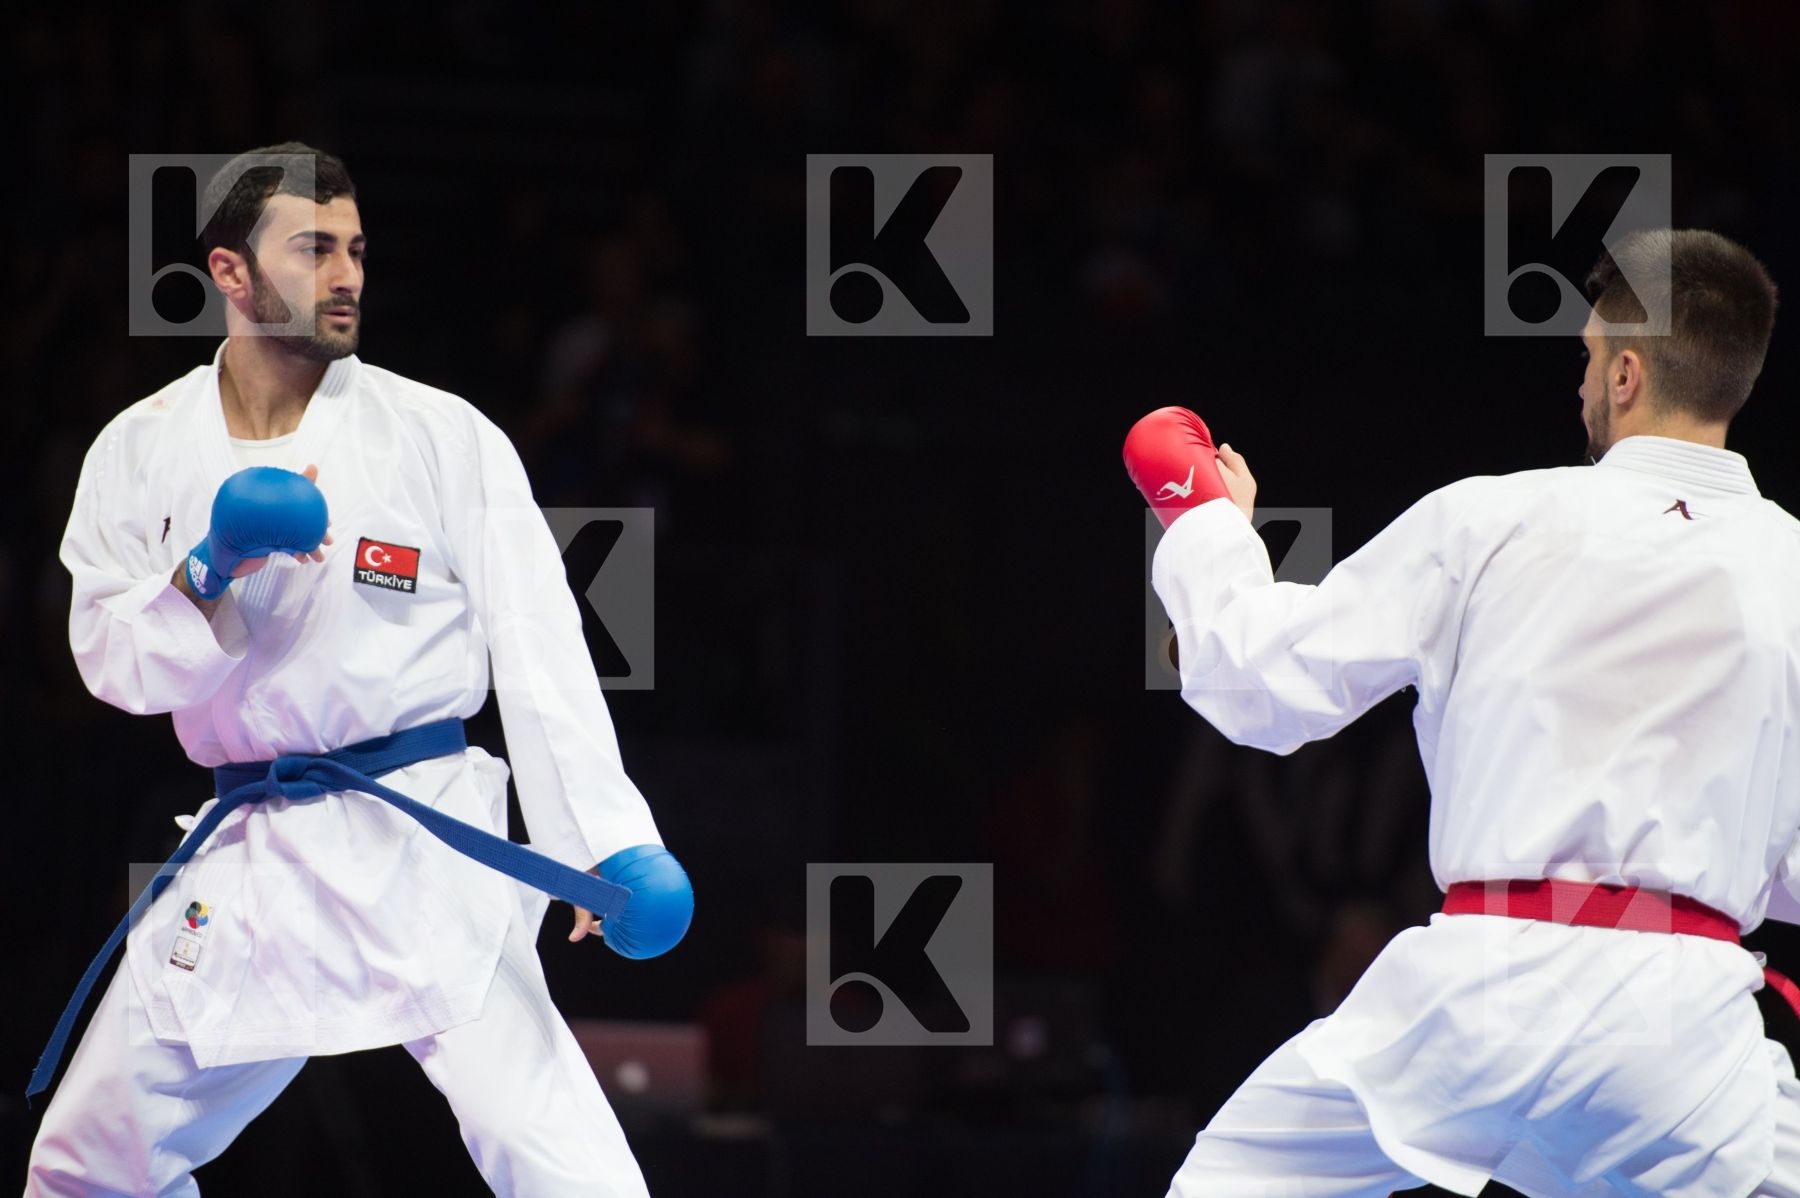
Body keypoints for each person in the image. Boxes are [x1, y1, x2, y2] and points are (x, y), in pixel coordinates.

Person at [25, 142, 693, 1197]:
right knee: (84, 1165)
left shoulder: (440, 435)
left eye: (357, 249)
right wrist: (208, 569)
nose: (346, 275)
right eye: (314, 249)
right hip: (249, 844)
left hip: (419, 838)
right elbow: (113, 665)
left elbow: (539, 639)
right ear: (230, 271)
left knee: (557, 1157)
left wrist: (604, 840)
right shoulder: (139, 448)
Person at [1123, 228, 1800, 1197]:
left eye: (1587, 357)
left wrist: (1203, 523)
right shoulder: (1790, 567)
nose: (1581, 383)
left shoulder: (1494, 520)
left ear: (1626, 375)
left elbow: (1261, 683)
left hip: (1482, 1001)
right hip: (1685, 1036)